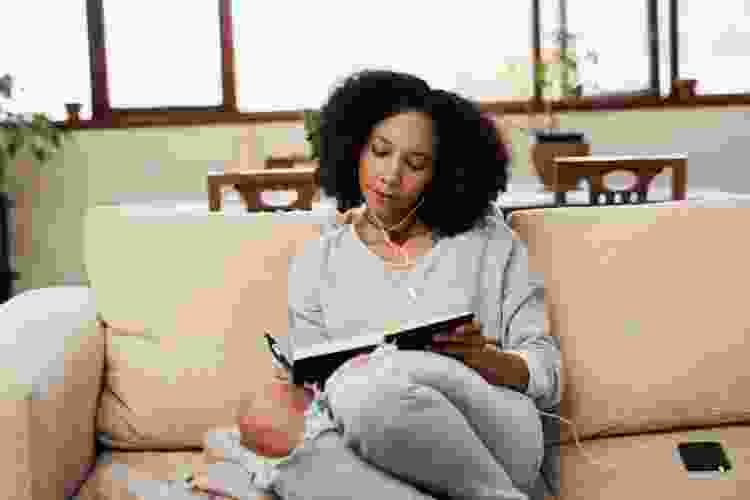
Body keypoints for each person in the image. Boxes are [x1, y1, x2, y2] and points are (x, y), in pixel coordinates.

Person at [194, 69, 562, 500]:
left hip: (496, 431)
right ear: (354, 149)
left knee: (361, 384)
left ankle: (263, 466)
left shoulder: (487, 241)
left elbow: (547, 370)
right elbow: (314, 397)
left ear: (442, 173)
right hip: (375, 445)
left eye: (416, 163)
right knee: (264, 413)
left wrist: (487, 360)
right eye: (380, 152)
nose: (390, 175)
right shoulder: (318, 263)